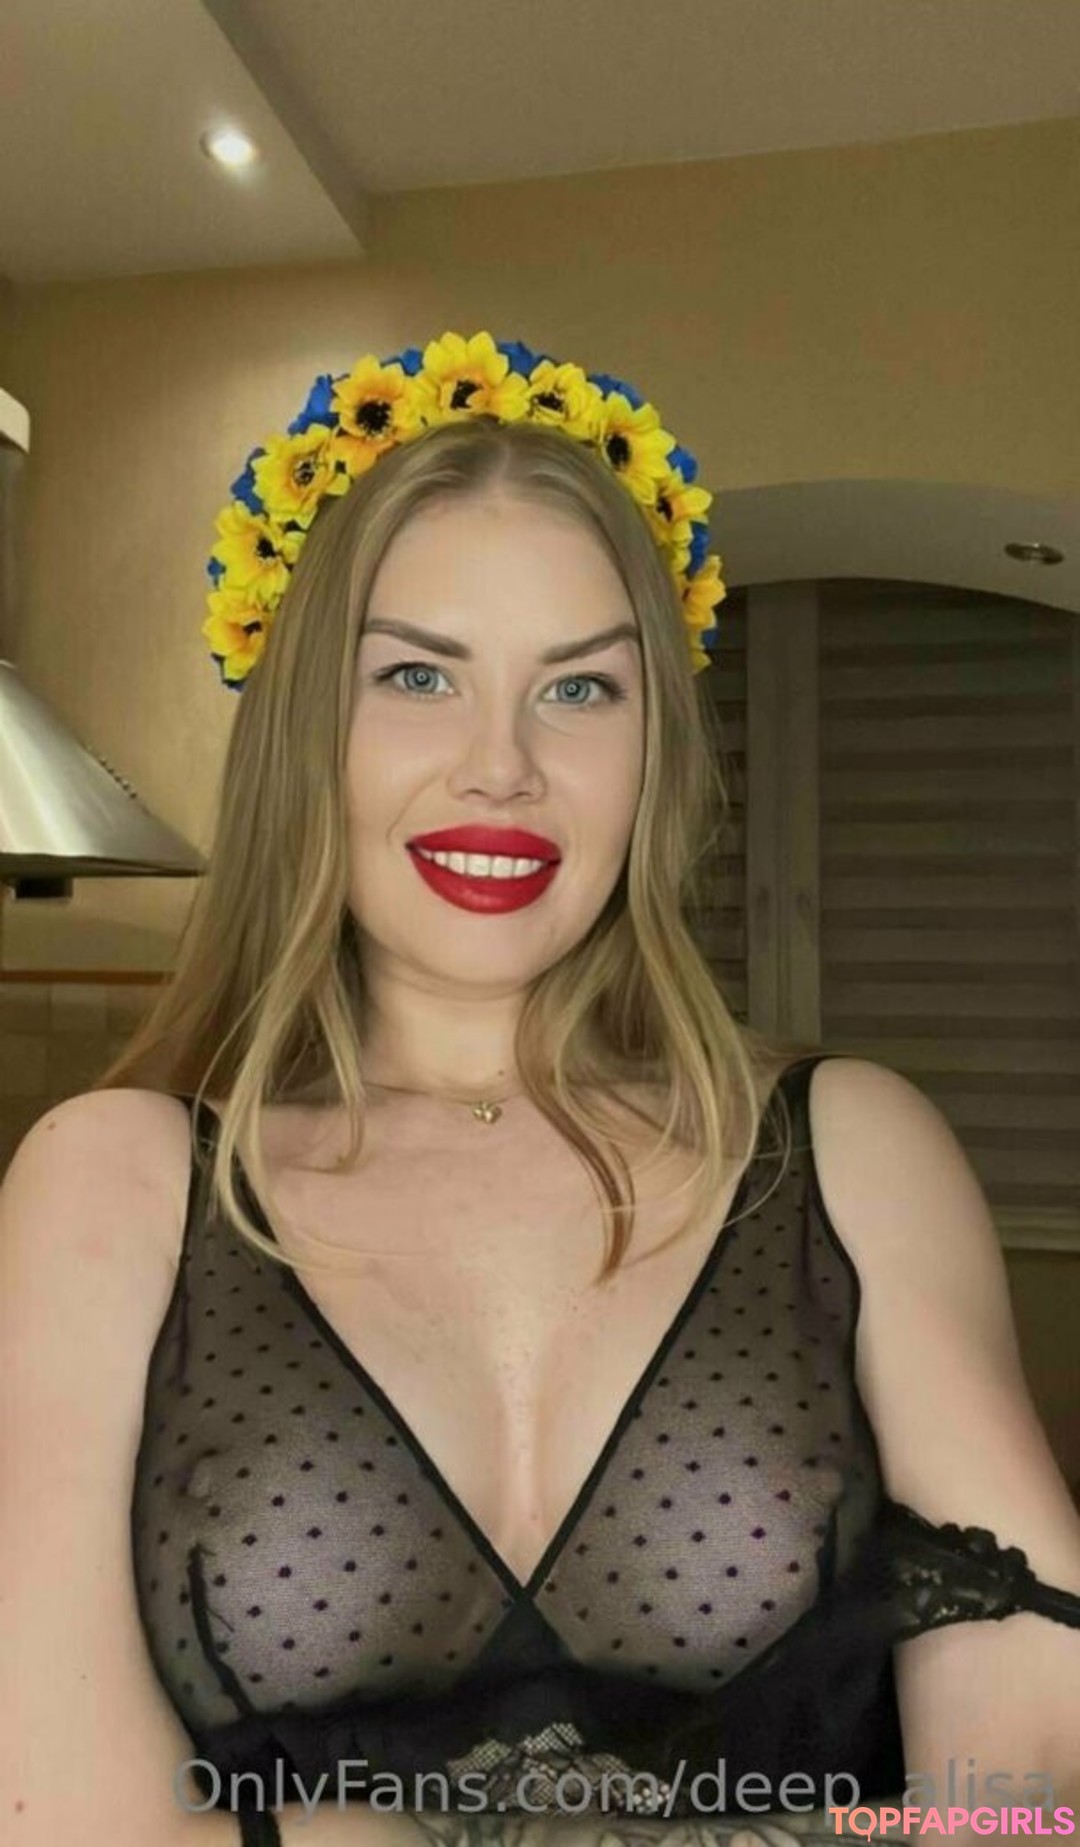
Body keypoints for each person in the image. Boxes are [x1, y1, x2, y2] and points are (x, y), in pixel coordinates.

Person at [2, 331, 1079, 1847]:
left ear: (655, 754)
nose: (500, 765)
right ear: (305, 728)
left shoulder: (850, 1155)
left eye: (579, 689)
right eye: (416, 675)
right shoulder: (107, 1184)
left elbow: (1037, 1778)